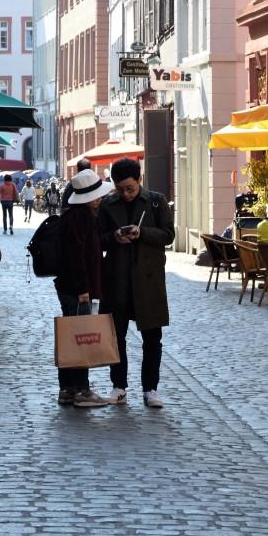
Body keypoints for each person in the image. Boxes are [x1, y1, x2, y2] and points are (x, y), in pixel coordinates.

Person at [99, 157, 174, 408]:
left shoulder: (156, 201)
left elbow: (168, 235)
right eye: (120, 189)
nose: (125, 194)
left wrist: (142, 233)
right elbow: (97, 239)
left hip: (148, 281)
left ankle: (150, 389)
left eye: (129, 188)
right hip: (117, 280)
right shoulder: (108, 204)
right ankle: (118, 387)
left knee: (152, 338)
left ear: (139, 180)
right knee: (115, 336)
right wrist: (114, 236)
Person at [55, 168, 114, 408]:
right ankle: (81, 390)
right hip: (78, 289)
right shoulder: (83, 217)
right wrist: (83, 289)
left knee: (72, 337)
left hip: (70, 287)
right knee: (81, 339)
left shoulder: (71, 216)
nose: (100, 199)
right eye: (97, 195)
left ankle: (67, 390)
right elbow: (77, 256)